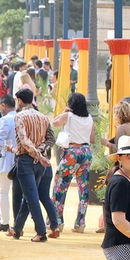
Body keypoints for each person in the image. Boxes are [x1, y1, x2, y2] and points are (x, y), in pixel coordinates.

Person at [10, 87, 58, 241]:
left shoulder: (19, 117)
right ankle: (17, 229)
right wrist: (41, 152)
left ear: (19, 100)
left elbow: (24, 140)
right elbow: (51, 139)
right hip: (40, 162)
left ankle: (41, 232)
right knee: (30, 196)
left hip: (26, 160)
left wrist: (36, 153)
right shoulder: (43, 117)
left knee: (31, 197)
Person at [50, 92, 95, 233]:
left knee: (60, 186)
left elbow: (54, 123)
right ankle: (80, 222)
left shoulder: (68, 116)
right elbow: (92, 139)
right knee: (83, 188)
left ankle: (57, 220)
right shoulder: (90, 119)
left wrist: (63, 112)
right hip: (86, 152)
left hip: (72, 152)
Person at [0, 97, 19, 232]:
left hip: (6, 160)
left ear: (3, 106)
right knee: (19, 193)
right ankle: (18, 222)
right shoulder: (20, 117)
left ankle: (4, 222)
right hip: (20, 160)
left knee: (3, 192)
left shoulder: (4, 120)